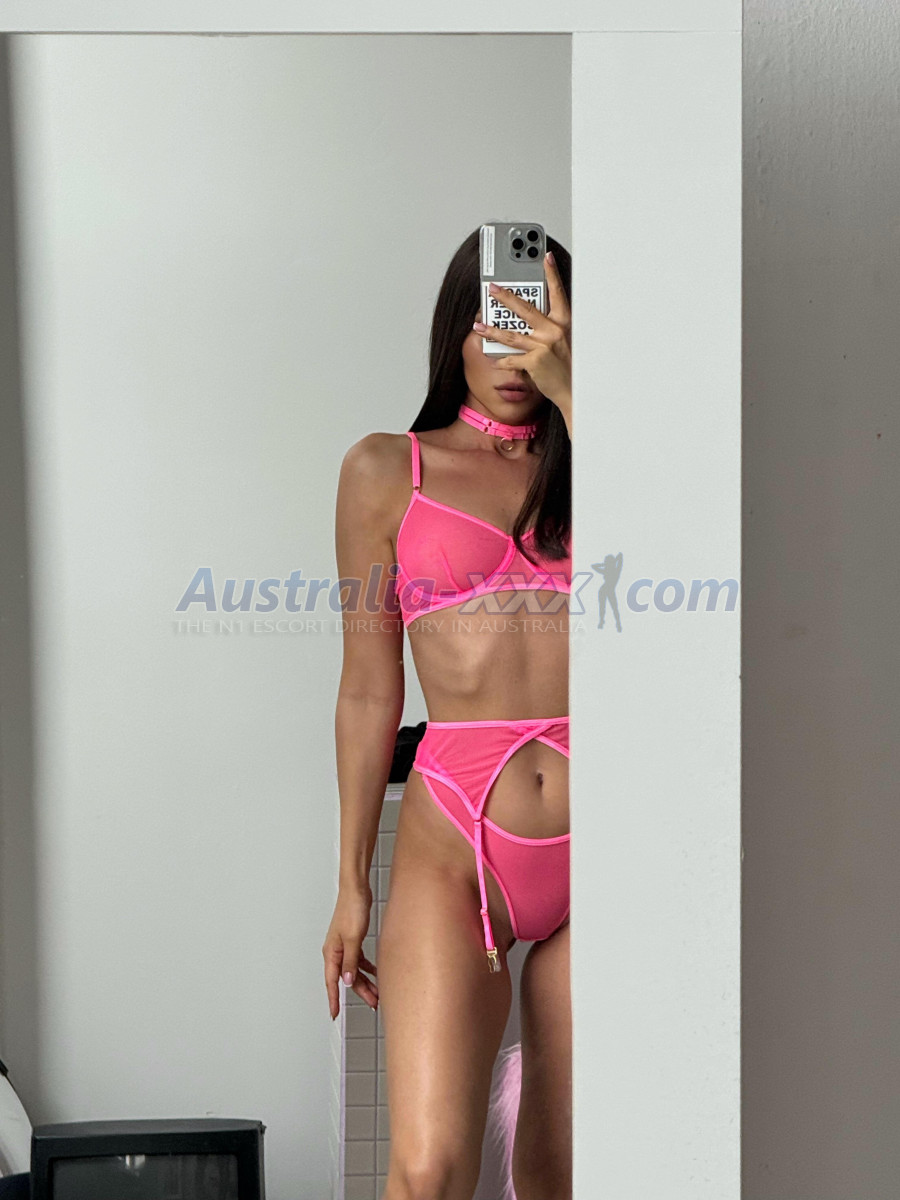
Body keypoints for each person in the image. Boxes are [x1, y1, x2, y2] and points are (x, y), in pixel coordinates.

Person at [323, 227, 573, 1200]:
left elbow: (688, 538)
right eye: (492, 324)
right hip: (454, 844)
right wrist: (352, 883)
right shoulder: (388, 470)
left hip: (611, 847)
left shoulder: (618, 460)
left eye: (535, 326)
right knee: (427, 1172)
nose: (513, 354)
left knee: (561, 1173)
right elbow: (367, 687)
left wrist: (580, 394)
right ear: (454, 333)